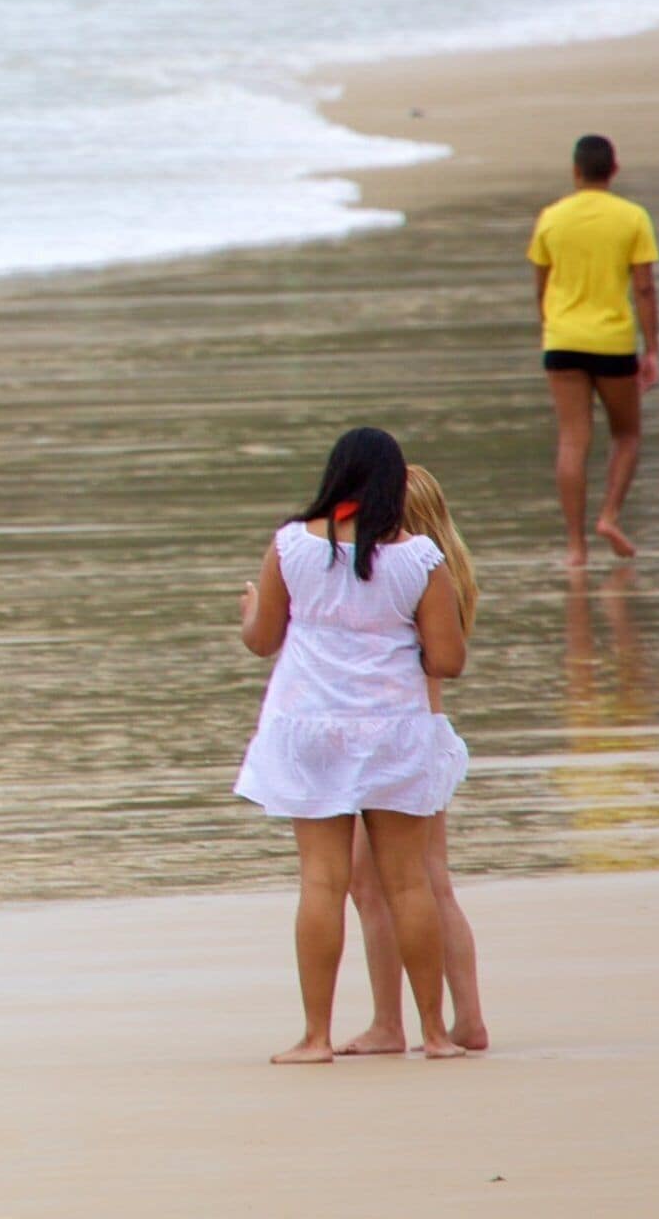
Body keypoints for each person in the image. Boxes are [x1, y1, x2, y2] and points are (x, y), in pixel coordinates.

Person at [234, 427, 469, 1065]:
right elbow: (448, 661)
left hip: (309, 727)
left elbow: (264, 641)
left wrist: (252, 610)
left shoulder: (290, 546)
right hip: (393, 728)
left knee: (321, 882)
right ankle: (436, 1034)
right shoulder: (420, 559)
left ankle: (315, 1037)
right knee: (407, 887)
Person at [337, 465, 489, 1058]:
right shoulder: (442, 575)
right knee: (425, 883)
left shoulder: (409, 574)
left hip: (405, 745)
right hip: (429, 739)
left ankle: (389, 1022)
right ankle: (463, 1017)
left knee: (380, 886)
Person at [531, 133, 659, 565]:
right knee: (626, 434)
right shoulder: (632, 217)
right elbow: (643, 287)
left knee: (572, 440)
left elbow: (541, 285)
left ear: (575, 171)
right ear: (614, 171)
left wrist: (549, 328)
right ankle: (608, 516)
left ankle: (575, 545)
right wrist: (653, 347)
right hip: (613, 341)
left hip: (563, 338)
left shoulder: (552, 217)